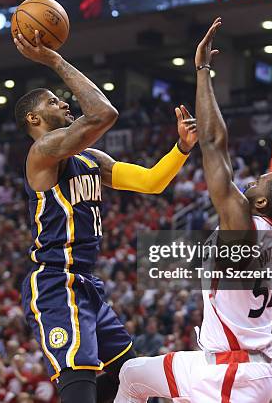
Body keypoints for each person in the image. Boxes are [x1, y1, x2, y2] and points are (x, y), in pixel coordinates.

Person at [115, 19, 272, 403]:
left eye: (255, 185)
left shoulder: (243, 228)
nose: (249, 183)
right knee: (133, 374)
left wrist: (202, 72)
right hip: (226, 365)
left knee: (136, 377)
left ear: (262, 201)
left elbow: (215, 144)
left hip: (233, 375)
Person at [13, 30, 199, 403]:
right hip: (55, 282)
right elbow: (103, 113)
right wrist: (53, 59)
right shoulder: (43, 153)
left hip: (87, 285)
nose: (64, 103)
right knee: (80, 382)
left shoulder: (90, 160)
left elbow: (150, 183)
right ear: (34, 118)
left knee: (126, 378)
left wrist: (181, 148)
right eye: (53, 102)